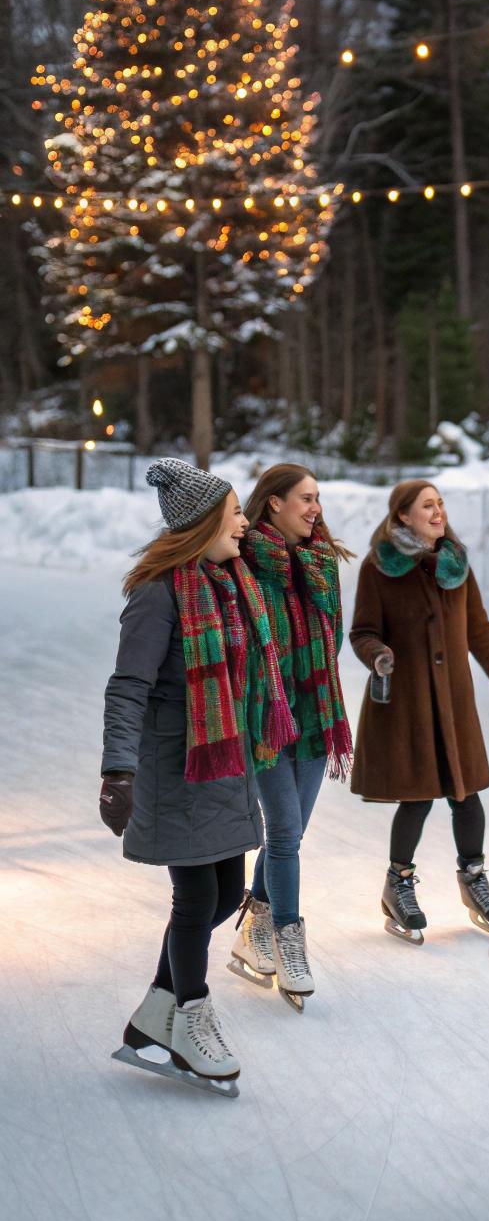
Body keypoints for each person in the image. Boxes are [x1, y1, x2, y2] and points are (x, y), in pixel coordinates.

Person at [100, 458, 296, 1092]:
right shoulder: (158, 594)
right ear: (205, 523)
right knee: (195, 903)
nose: (244, 522)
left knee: (225, 895)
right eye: (237, 512)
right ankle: (191, 1019)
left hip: (224, 763)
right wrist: (117, 772)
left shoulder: (226, 582)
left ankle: (154, 1012)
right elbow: (127, 687)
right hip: (177, 768)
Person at [349, 480, 489, 944]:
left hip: (454, 703)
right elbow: (362, 631)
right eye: (427, 506)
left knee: (465, 792)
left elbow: (479, 631)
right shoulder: (381, 567)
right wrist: (378, 655)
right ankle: (398, 883)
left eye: (440, 504)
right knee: (417, 797)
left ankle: (473, 877)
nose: (438, 512)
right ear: (403, 517)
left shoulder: (455, 565)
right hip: (409, 702)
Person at [230, 463, 354, 1008]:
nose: (315, 508)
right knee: (283, 833)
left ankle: (252, 927)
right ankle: (288, 939)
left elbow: (337, 640)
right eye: (305, 498)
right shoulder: (243, 565)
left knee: (292, 832)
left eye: (318, 498)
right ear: (273, 503)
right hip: (264, 718)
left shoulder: (322, 565)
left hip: (315, 713)